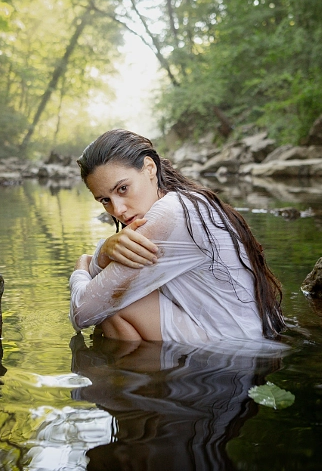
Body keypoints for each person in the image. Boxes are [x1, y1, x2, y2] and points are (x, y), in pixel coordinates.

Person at [69, 129, 285, 343]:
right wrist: (103, 253)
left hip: (233, 354)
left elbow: (83, 312)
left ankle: (137, 374)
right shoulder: (186, 201)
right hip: (249, 344)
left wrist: (83, 263)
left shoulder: (171, 214)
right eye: (104, 200)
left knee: (112, 308)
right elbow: (100, 283)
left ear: (149, 168)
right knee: (116, 295)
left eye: (123, 188)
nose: (117, 210)